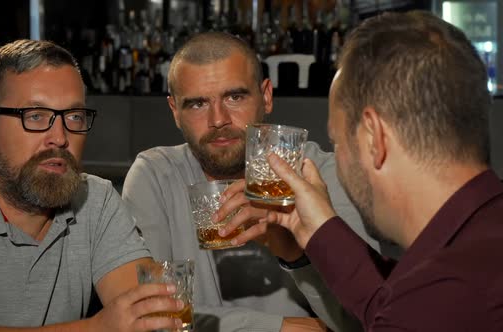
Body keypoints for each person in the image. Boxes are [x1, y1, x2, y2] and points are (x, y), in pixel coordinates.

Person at [220, 11, 503, 331]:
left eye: (337, 140)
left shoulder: (439, 298)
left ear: (374, 139)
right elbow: (389, 301)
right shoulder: (493, 234)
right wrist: (316, 229)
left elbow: (409, 308)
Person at [122, 31, 397, 332]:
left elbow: (370, 319)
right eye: (198, 104)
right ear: (175, 111)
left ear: (266, 96)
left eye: (235, 97)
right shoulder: (156, 175)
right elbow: (151, 317)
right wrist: (279, 328)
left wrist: (295, 254)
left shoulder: (317, 173)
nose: (218, 120)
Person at [0, 39, 185, 331]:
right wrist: (94, 329)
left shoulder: (95, 200)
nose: (60, 138)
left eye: (74, 116)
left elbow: (146, 317)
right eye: (35, 117)